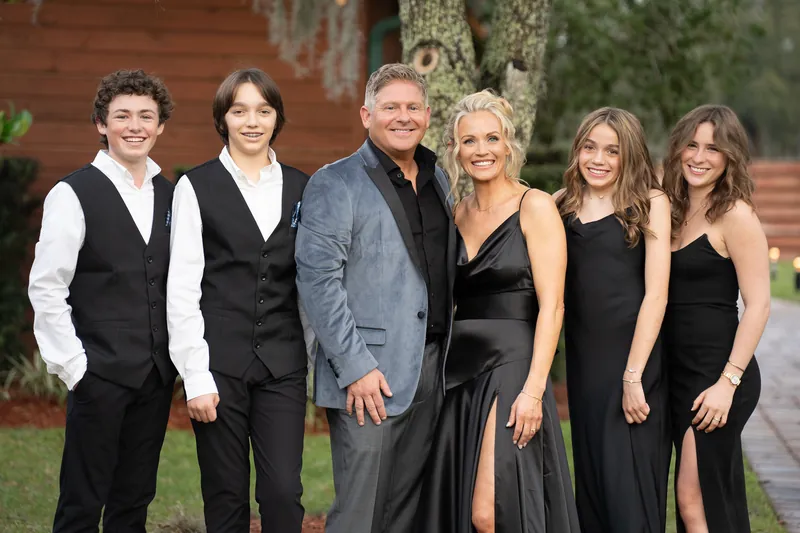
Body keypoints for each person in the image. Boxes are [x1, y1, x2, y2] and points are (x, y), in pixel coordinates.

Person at [295, 63, 456, 533]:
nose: (402, 117)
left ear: (427, 115)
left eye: (411, 107)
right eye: (390, 107)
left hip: (432, 366)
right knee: (361, 513)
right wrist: (356, 367)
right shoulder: (335, 181)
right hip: (368, 377)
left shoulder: (438, 179)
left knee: (406, 509)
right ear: (367, 115)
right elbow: (317, 280)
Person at [420, 90, 579, 533]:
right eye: (469, 141)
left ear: (508, 145)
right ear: (455, 148)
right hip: (458, 372)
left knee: (490, 512)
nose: (481, 150)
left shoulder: (536, 207)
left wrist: (533, 390)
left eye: (491, 138)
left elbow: (554, 306)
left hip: (512, 369)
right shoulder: (457, 213)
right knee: (463, 510)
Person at [28, 69, 177, 532]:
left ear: (160, 126)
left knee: (134, 500)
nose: (135, 126)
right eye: (123, 116)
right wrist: (76, 367)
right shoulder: (72, 194)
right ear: (101, 124)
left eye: (146, 116)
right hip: (99, 374)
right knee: (82, 500)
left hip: (154, 376)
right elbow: (47, 286)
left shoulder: (172, 196)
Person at [166, 68, 311, 532]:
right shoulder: (195, 186)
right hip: (218, 365)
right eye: (240, 110)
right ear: (223, 118)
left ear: (276, 118)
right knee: (225, 496)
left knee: (283, 492)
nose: (252, 121)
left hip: (283, 364)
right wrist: (195, 374)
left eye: (263, 111)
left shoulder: (303, 188)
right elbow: (182, 287)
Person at [555, 107, 672, 532]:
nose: (598, 159)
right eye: (589, 147)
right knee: (593, 489)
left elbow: (656, 294)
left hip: (634, 364)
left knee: (630, 494)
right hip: (585, 367)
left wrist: (633, 375)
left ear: (630, 156)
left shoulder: (649, 203)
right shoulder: (560, 204)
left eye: (612, 150)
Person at [662, 104, 768, 533]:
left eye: (712, 149)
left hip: (720, 378)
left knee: (692, 497)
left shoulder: (735, 215)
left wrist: (728, 383)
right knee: (704, 497)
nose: (699, 157)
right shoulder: (669, 208)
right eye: (692, 145)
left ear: (729, 158)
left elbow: (759, 304)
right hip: (677, 374)